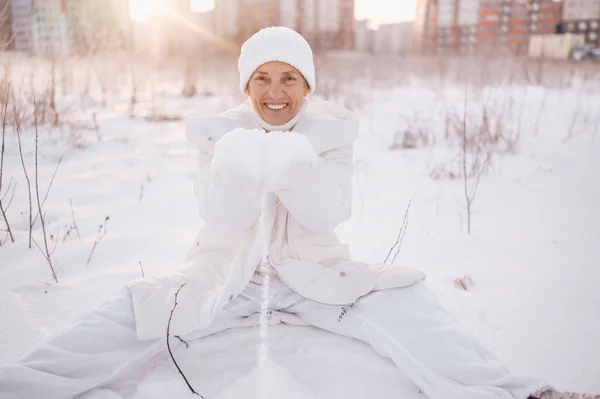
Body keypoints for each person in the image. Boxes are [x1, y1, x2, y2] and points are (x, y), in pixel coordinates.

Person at [0, 27, 575, 399]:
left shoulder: (331, 132)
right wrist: (237, 166)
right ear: (247, 84)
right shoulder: (220, 134)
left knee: (412, 306)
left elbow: (333, 210)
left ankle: (522, 393)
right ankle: (20, 385)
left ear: (306, 84)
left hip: (316, 279)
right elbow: (218, 217)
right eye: (262, 79)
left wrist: (296, 165)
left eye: (289, 79)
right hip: (225, 279)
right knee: (128, 312)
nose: (275, 92)